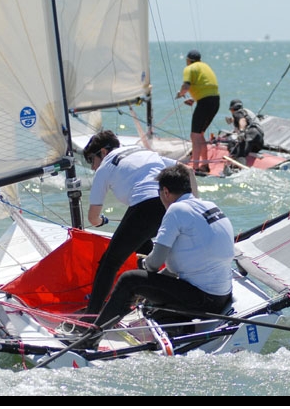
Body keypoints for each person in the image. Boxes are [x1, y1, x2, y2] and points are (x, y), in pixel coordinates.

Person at [89, 164, 234, 339]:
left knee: (129, 280)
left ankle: (91, 337)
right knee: (153, 305)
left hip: (204, 300)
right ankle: (179, 330)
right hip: (223, 296)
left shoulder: (176, 210)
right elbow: (185, 261)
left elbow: (154, 264)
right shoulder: (208, 205)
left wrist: (142, 263)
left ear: (165, 192)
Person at [81, 130, 190, 318]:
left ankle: (91, 316)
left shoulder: (106, 166)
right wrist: (193, 202)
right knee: (142, 243)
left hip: (146, 206)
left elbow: (92, 218)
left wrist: (101, 221)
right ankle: (151, 296)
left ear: (104, 152)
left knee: (109, 262)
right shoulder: (142, 151)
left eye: (91, 159)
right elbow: (186, 169)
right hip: (172, 204)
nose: (92, 167)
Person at [175, 49, 220, 174]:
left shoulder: (189, 68)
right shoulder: (205, 66)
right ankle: (204, 165)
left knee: (194, 135)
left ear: (188, 60)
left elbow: (186, 86)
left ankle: (194, 167)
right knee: (200, 134)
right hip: (215, 101)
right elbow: (207, 87)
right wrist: (194, 99)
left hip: (204, 102)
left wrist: (180, 94)